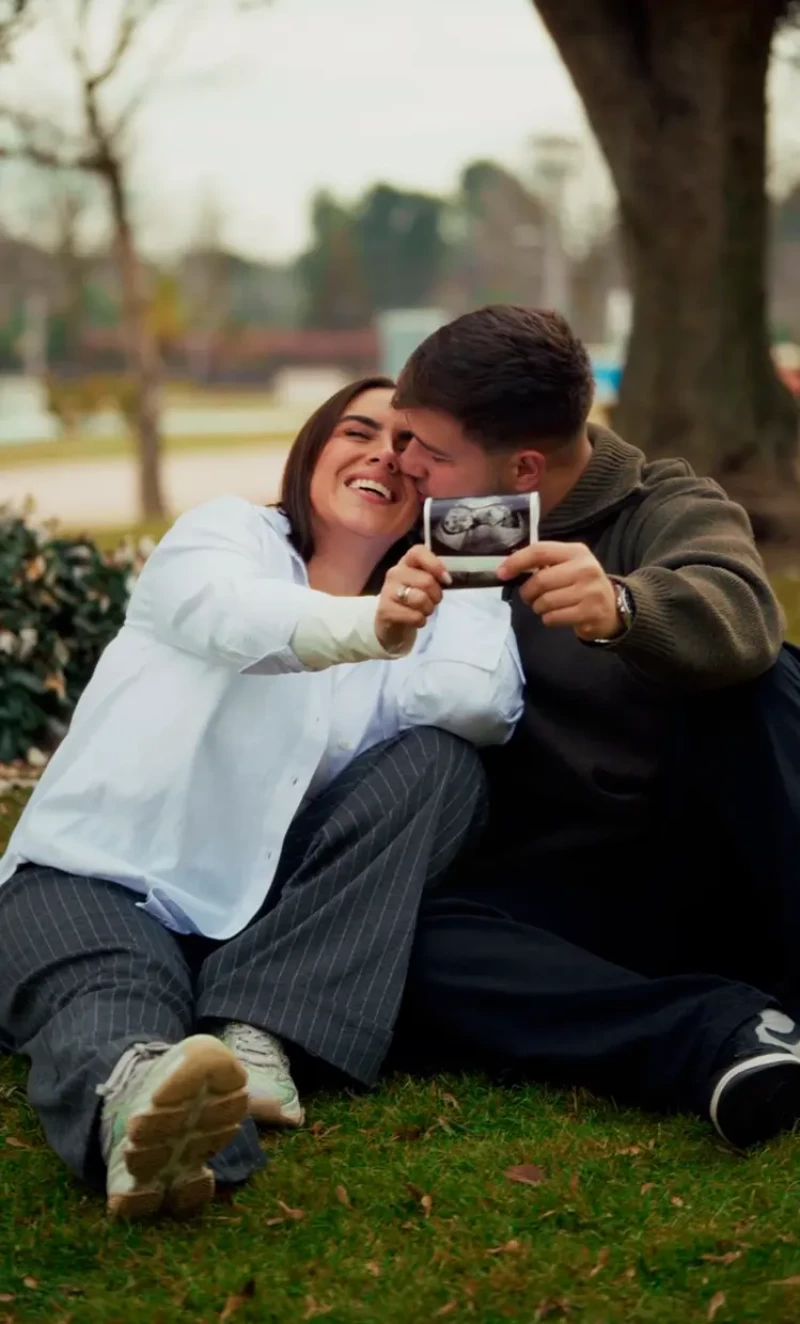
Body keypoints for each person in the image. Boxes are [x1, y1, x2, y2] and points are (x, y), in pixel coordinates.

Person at [0, 376, 523, 1220]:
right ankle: (150, 1113)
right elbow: (228, 615)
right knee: (111, 996)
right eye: (359, 431)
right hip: (95, 882)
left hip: (259, 930)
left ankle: (257, 1032)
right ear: (313, 449)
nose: (384, 457)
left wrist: (468, 575)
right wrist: (368, 629)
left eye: (413, 451)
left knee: (441, 763)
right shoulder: (228, 535)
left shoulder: (419, 616)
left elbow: (470, 707)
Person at [389, 305, 800, 1151]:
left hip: (712, 860)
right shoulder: (418, 528)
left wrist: (624, 609)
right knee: (404, 938)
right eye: (405, 440)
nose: (407, 464)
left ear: (525, 467)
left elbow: (742, 610)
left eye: (431, 452)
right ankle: (731, 1036)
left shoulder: (666, 504)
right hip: (559, 889)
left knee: (767, 675)